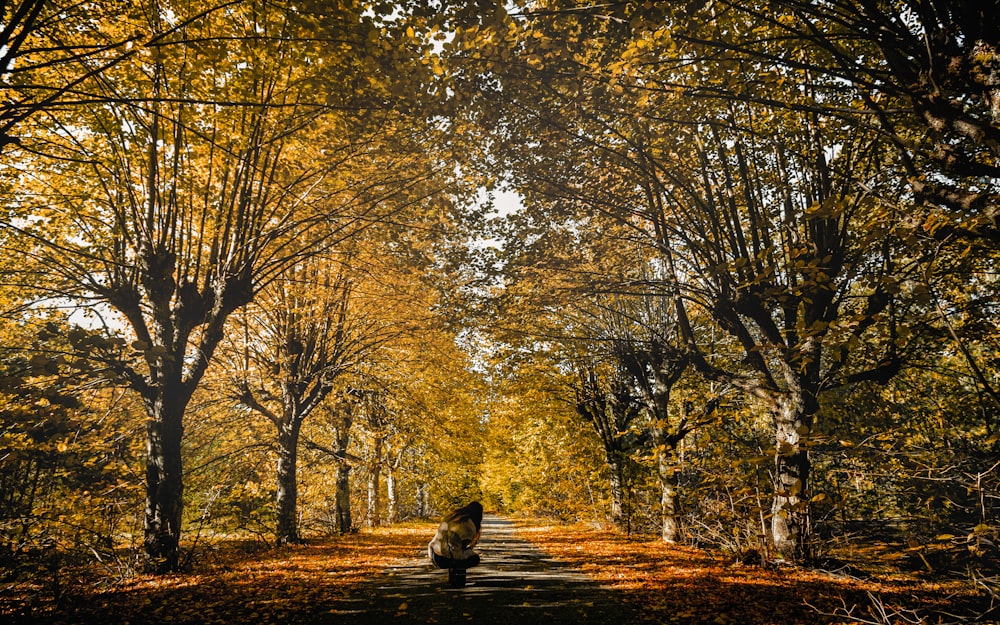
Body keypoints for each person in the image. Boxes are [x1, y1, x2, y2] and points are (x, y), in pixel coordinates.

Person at [427, 501, 483, 577]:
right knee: (475, 558)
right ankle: (457, 569)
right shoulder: (468, 525)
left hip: (434, 554)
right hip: (446, 558)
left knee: (457, 550)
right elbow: (461, 546)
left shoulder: (451, 517)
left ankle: (455, 570)